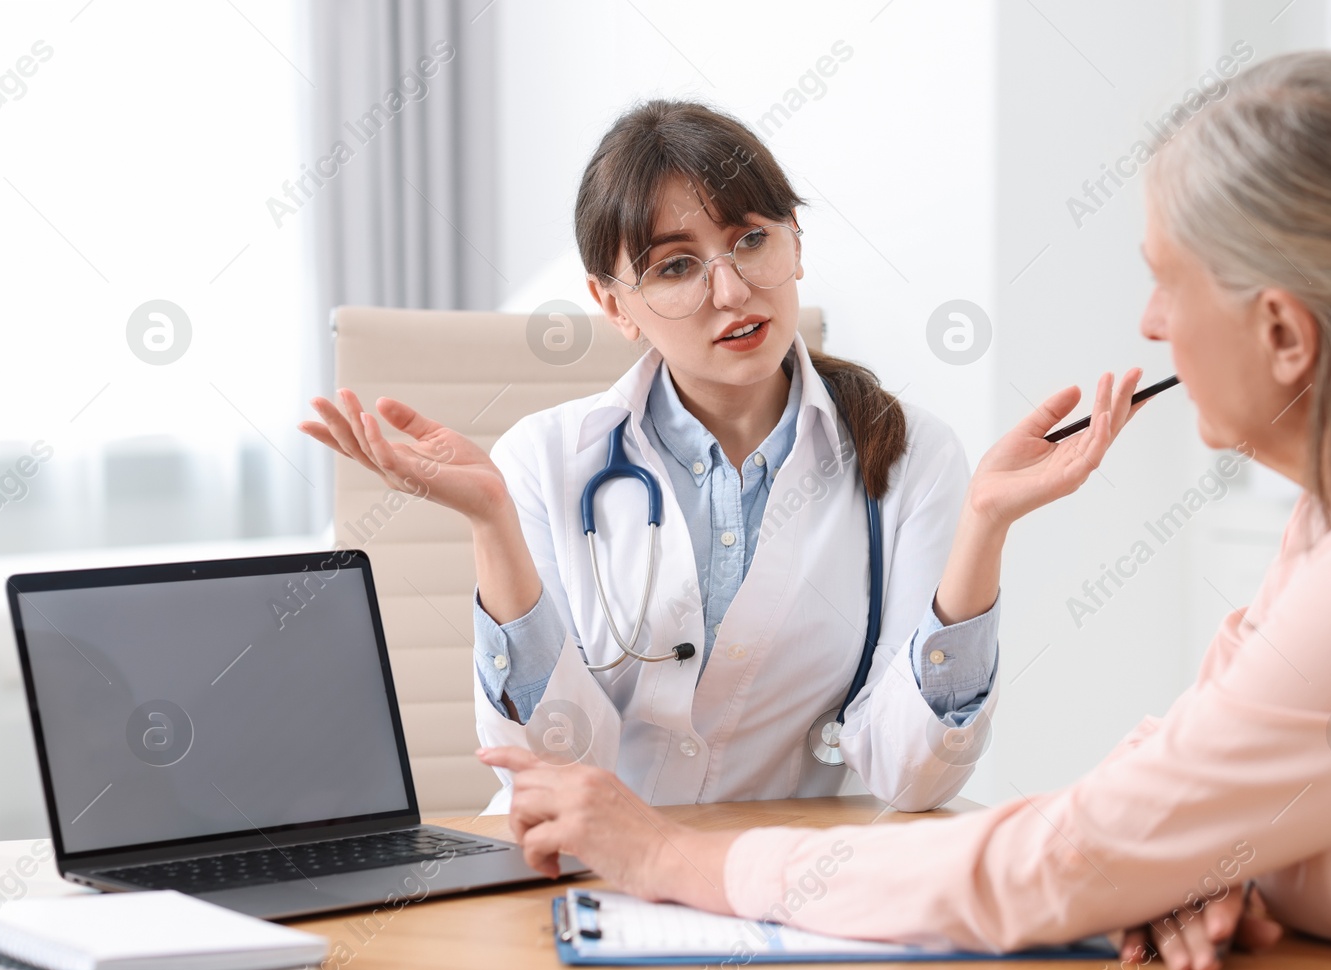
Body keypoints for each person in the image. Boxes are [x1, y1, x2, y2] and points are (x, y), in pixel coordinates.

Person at [479, 52, 1331, 970]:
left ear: (1280, 330)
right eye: (674, 266)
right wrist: (1189, 856)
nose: (1146, 323)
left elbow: (1073, 847)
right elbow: (1186, 766)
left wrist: (672, 855)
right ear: (614, 301)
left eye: (1163, 279)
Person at [301, 100, 1142, 814]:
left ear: (796, 244)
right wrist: (491, 522)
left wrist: (984, 529)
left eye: (750, 240)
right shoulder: (543, 462)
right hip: (571, 881)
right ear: (613, 304)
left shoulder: (911, 456)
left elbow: (912, 774)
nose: (732, 290)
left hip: (783, 895)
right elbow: (553, 765)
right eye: (675, 266)